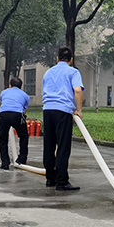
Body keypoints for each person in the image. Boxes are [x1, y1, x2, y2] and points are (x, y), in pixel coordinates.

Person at [42, 47, 84, 191]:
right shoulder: (73, 72)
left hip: (47, 111)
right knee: (63, 147)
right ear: (71, 60)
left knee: (49, 145)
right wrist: (78, 111)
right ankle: (62, 182)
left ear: (58, 58)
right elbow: (77, 90)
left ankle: (50, 178)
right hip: (63, 111)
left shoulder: (48, 72)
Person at [0, 78, 30, 170]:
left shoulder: (4, 92)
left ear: (10, 85)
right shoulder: (25, 95)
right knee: (23, 137)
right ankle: (21, 160)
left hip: (3, 115)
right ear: (21, 87)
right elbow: (24, 110)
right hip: (17, 115)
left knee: (2, 139)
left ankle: (5, 163)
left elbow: (1, 105)